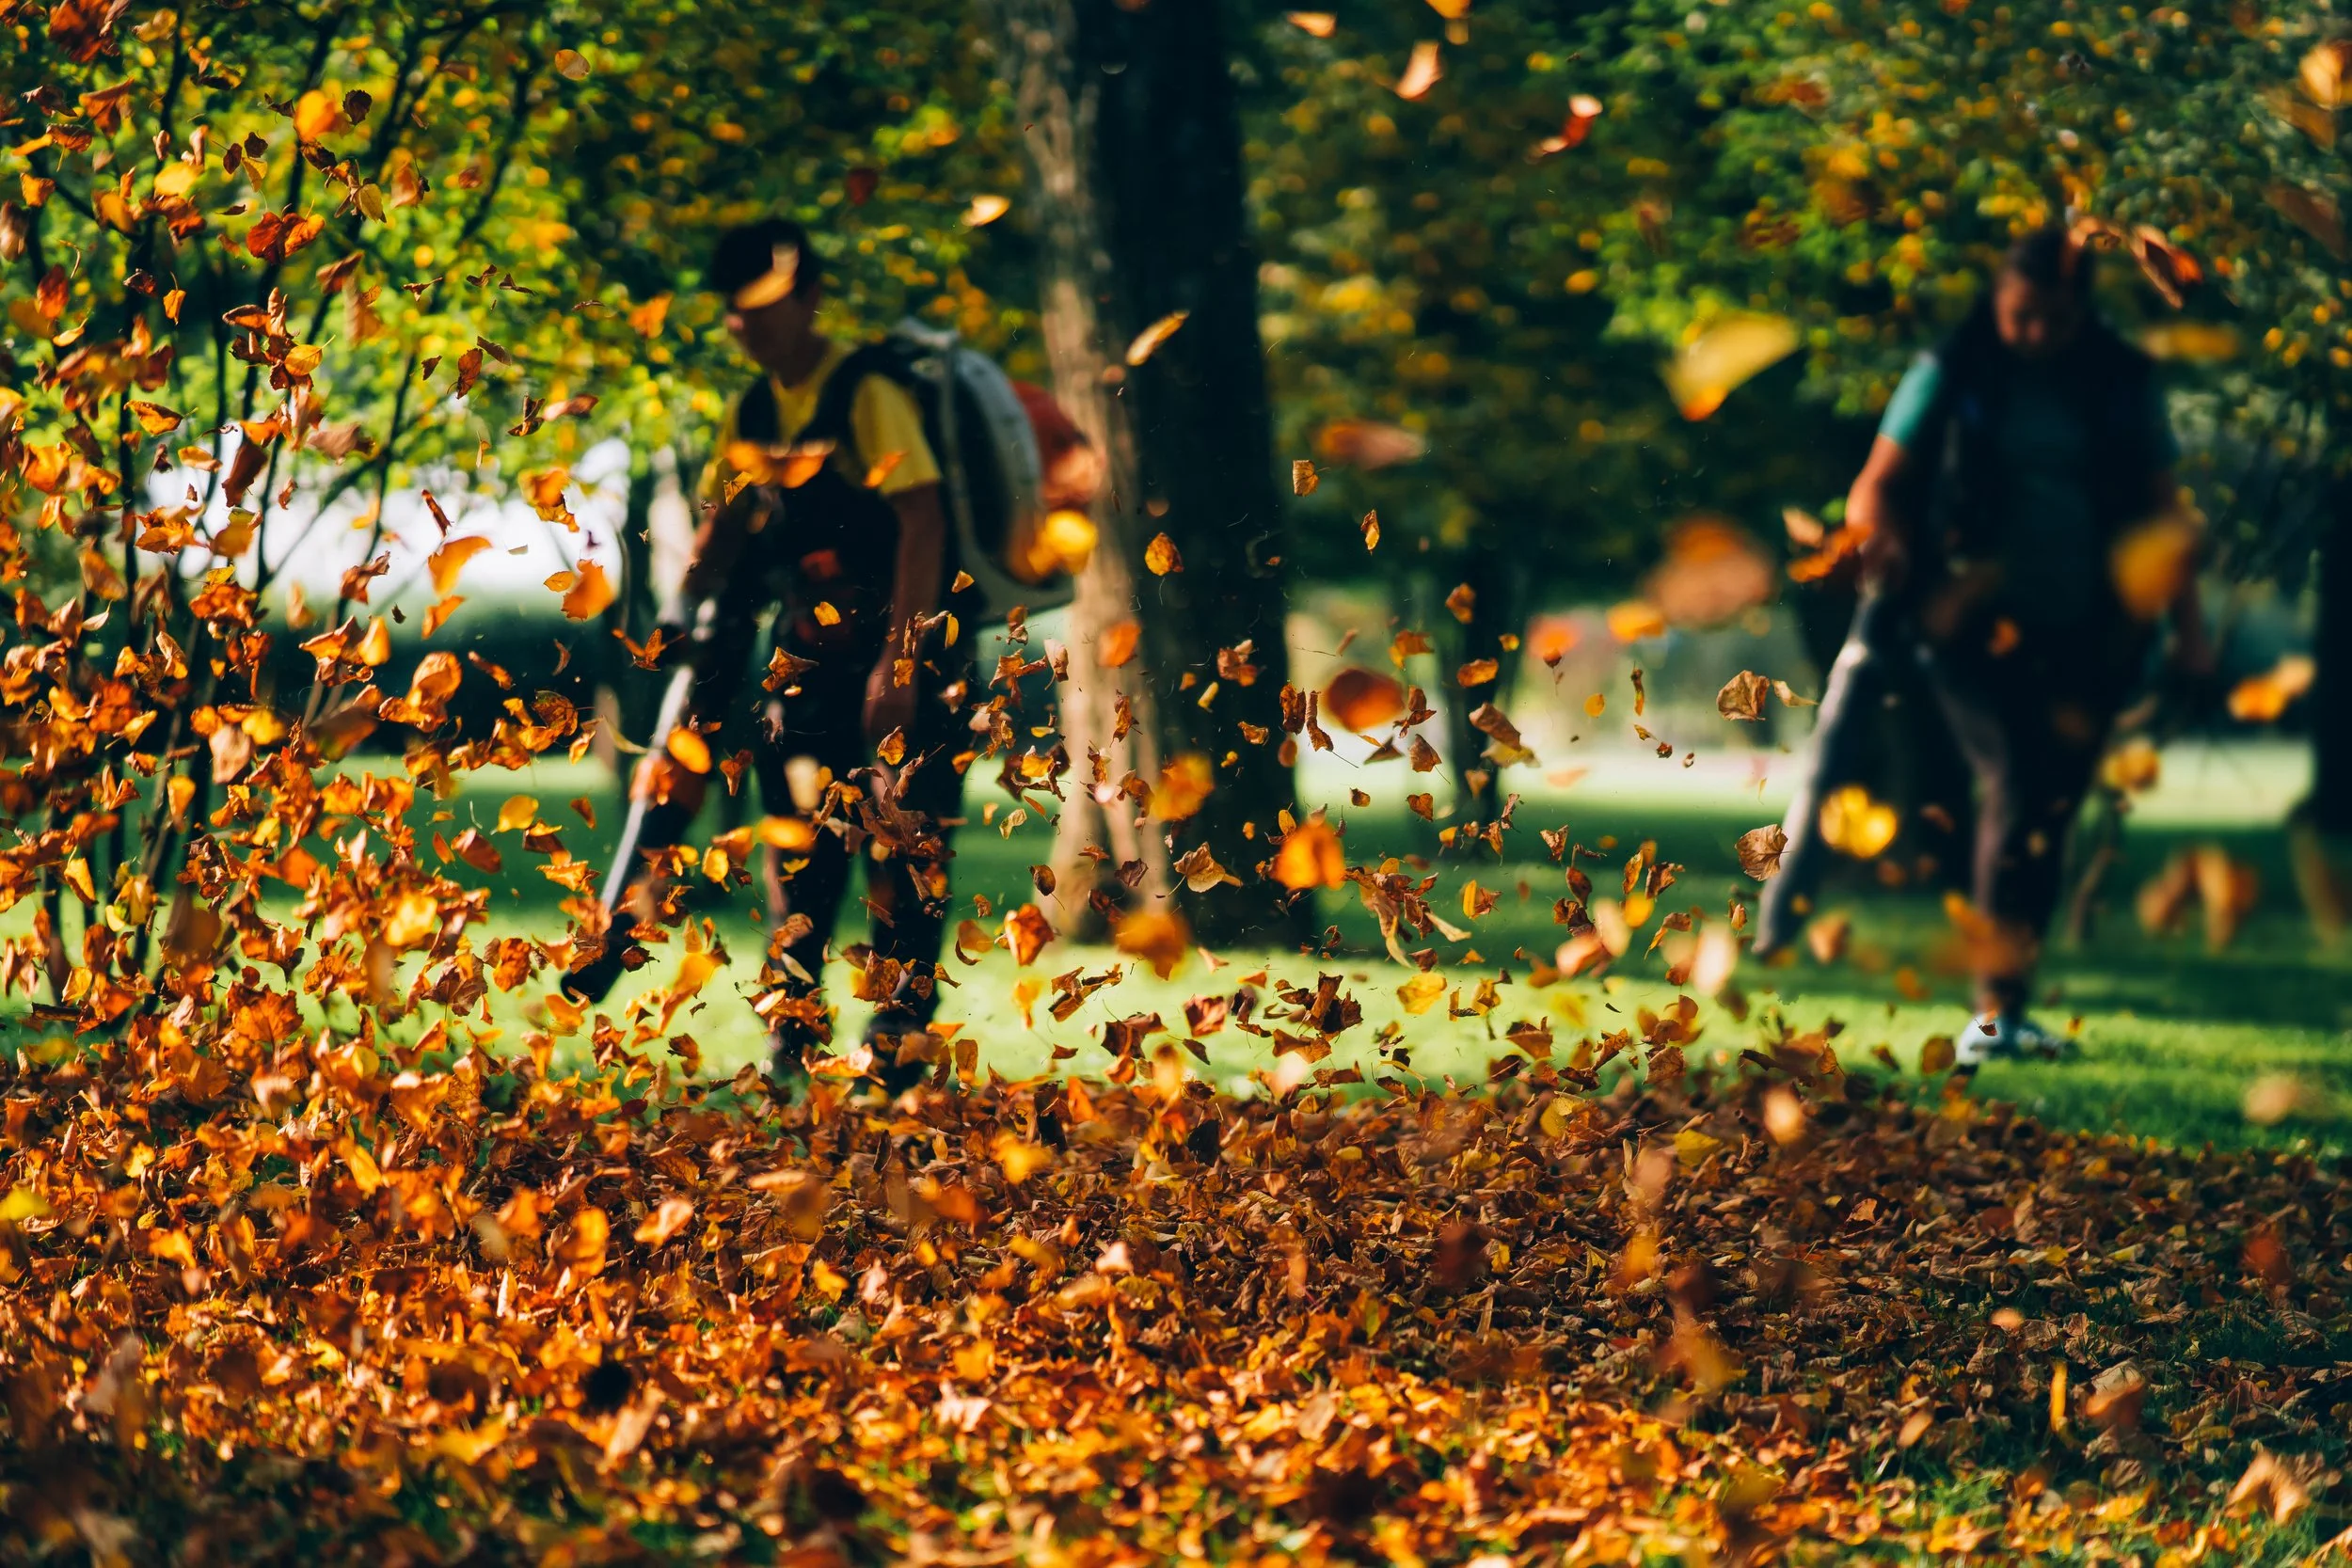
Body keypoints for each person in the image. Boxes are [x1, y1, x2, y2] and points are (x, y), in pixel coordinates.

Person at [1760, 225, 2210, 1066]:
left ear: (2082, 313)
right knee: (2014, 774)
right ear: (1997, 302)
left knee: (2049, 804)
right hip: (1964, 619)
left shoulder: (2119, 380)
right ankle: (1993, 1016)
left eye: (2052, 319)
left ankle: (2008, 1002)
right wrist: (1880, 540)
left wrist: (2190, 633)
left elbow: (2162, 510)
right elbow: (1878, 484)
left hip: (2090, 627)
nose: (2034, 334)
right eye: (2020, 316)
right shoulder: (1952, 367)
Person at [584, 217, 978, 1091]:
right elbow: (726, 524)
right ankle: (792, 1037)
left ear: (807, 298)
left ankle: (898, 1049)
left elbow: (924, 522)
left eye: (762, 305)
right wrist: (685, 607)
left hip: (907, 668)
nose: (746, 324)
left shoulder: (866, 395)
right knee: (797, 853)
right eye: (735, 310)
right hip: (806, 667)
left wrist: (901, 668)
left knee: (901, 858)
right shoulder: (754, 410)